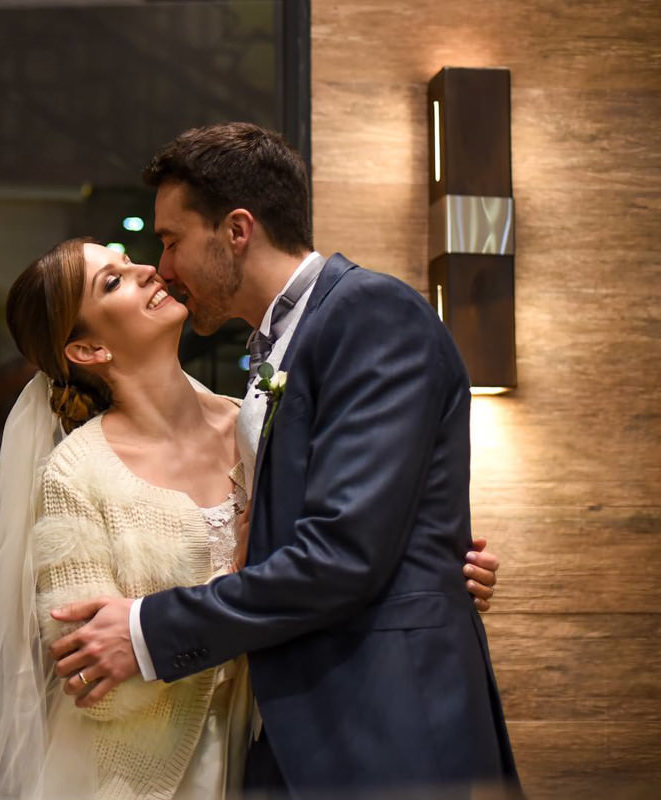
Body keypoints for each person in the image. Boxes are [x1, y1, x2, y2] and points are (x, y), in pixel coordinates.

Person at [48, 123, 519, 795]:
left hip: (390, 732)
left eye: (172, 241)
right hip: (300, 738)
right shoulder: (280, 346)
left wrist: (148, 629)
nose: (167, 269)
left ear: (236, 230)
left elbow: (343, 552)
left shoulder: (369, 315)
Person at [0, 240, 502, 796]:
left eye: (128, 261)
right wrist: (237, 603)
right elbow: (98, 685)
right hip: (157, 779)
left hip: (284, 753)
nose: (147, 270)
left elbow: (344, 545)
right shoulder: (74, 477)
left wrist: (426, 566)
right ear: (89, 349)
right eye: (113, 282)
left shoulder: (254, 425)